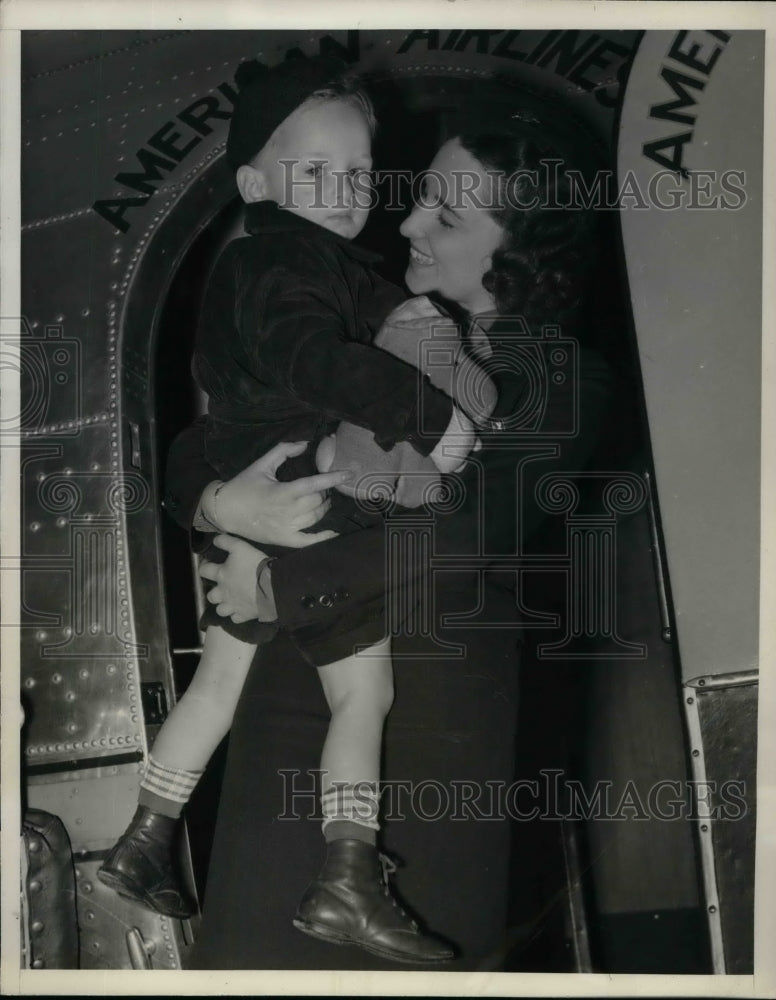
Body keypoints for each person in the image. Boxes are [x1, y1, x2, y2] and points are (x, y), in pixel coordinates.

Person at [165, 115, 617, 970]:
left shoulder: (565, 377)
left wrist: (275, 585)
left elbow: (466, 535)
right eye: (416, 203)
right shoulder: (363, 317)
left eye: (445, 219)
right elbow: (223, 427)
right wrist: (228, 503)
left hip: (425, 737)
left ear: (519, 252)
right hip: (285, 697)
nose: (405, 224)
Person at [98, 53, 482, 965]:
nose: (344, 190)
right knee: (363, 692)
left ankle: (146, 837)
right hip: (311, 506)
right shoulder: (281, 262)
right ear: (252, 183)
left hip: (256, 501)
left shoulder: (301, 259)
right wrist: (434, 419)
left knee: (217, 687)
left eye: (357, 174)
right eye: (316, 172)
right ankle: (347, 875)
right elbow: (317, 357)